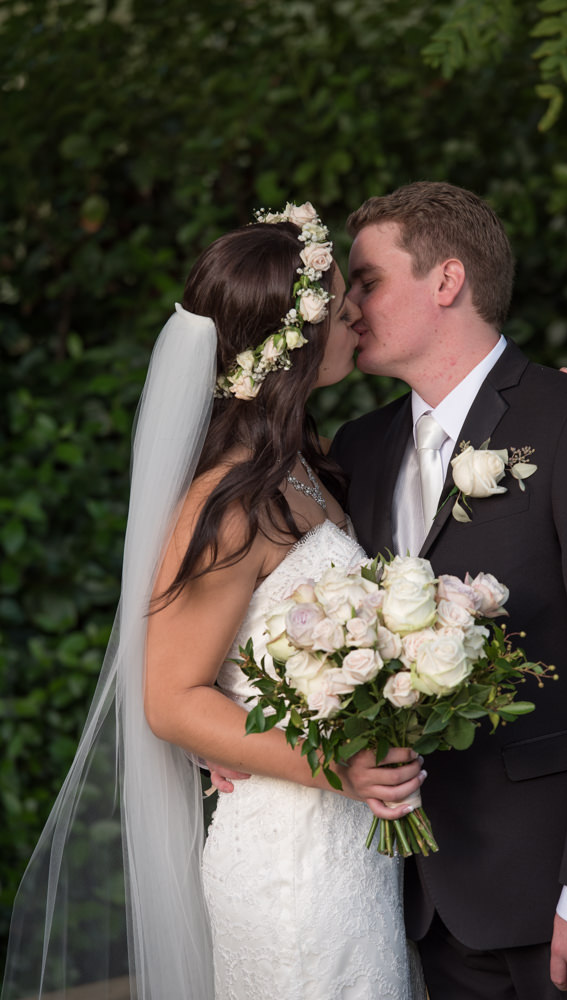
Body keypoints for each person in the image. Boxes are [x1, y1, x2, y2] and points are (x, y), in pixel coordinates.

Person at [2, 204, 425, 1000]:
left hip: (350, 851)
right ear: (294, 343)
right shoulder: (228, 504)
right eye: (341, 310)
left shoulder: (311, 462)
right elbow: (169, 698)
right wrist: (346, 765)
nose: (359, 315)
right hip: (287, 865)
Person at [330, 181, 567, 999]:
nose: (346, 304)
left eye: (367, 279)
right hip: (429, 905)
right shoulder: (360, 446)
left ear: (446, 281)